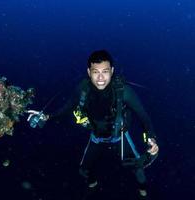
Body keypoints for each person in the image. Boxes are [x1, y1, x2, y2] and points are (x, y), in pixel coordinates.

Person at [27, 50, 159, 199]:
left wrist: (151, 138)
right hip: (96, 136)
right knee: (84, 170)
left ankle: (143, 192)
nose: (101, 78)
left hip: (120, 135)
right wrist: (47, 116)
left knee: (138, 169)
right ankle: (92, 186)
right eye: (96, 72)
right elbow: (68, 107)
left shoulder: (124, 91)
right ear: (89, 72)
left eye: (105, 71)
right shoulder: (83, 89)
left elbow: (143, 117)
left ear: (112, 71)